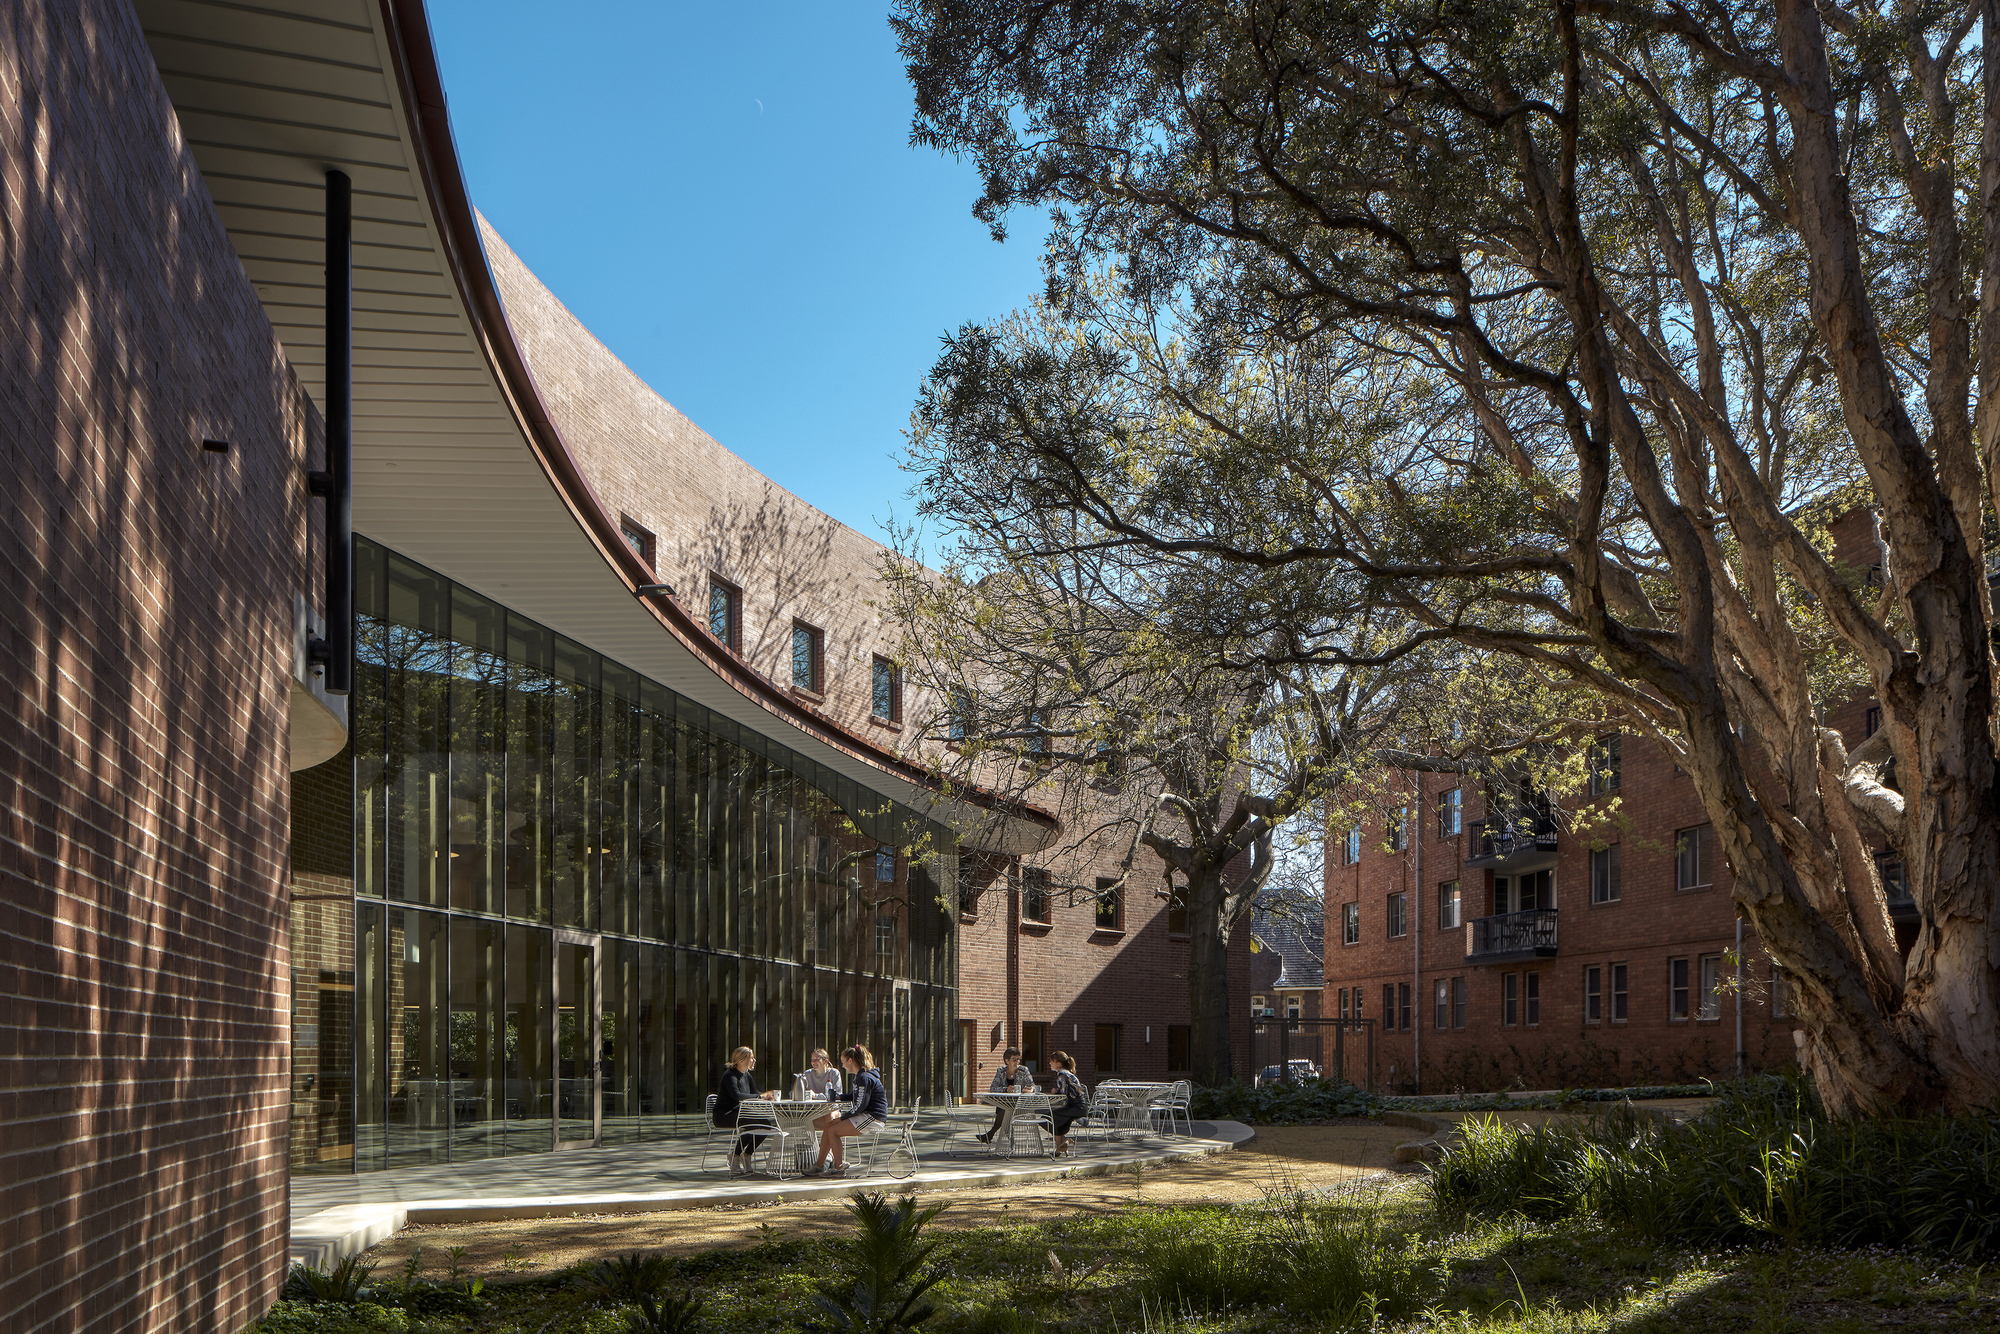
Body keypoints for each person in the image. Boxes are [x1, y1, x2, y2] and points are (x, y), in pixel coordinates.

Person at [806, 1044, 886, 1176]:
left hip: (873, 1117)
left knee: (833, 1130)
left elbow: (861, 1105)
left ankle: (838, 1168)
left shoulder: (864, 1078)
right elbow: (855, 1097)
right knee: (829, 1126)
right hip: (865, 1115)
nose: (842, 1065)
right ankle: (819, 1165)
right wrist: (839, 1097)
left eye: (843, 1062)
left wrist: (842, 1118)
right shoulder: (860, 1077)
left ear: (850, 1061)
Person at [713, 1046, 779, 1176]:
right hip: (724, 1115)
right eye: (751, 1058)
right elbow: (737, 1096)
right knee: (751, 1124)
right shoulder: (730, 1075)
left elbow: (755, 1093)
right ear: (742, 1060)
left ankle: (747, 1155)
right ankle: (735, 1156)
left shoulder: (747, 1076)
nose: (754, 1060)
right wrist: (760, 1096)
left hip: (739, 1113)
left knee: (766, 1125)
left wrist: (767, 1096)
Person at [977, 1046, 1036, 1144]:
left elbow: (1031, 1085)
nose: (1017, 1062)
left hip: (1020, 1103)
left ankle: (991, 1135)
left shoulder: (1023, 1070)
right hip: (1005, 1102)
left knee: (1004, 1111)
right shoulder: (1001, 1071)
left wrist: (1029, 1089)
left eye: (1018, 1059)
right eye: (1014, 1059)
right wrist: (1006, 1089)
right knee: (1004, 1110)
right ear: (1007, 1060)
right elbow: (993, 1088)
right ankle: (1007, 1138)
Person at [1048, 1051, 1087, 1158]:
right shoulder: (1067, 1072)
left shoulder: (1062, 1074)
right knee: (1056, 1117)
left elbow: (1063, 1093)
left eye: (1051, 1061)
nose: (1049, 1064)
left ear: (1058, 1063)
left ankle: (1061, 1146)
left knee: (1051, 1116)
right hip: (1079, 1105)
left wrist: (1055, 1091)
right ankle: (1062, 1145)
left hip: (1076, 1107)